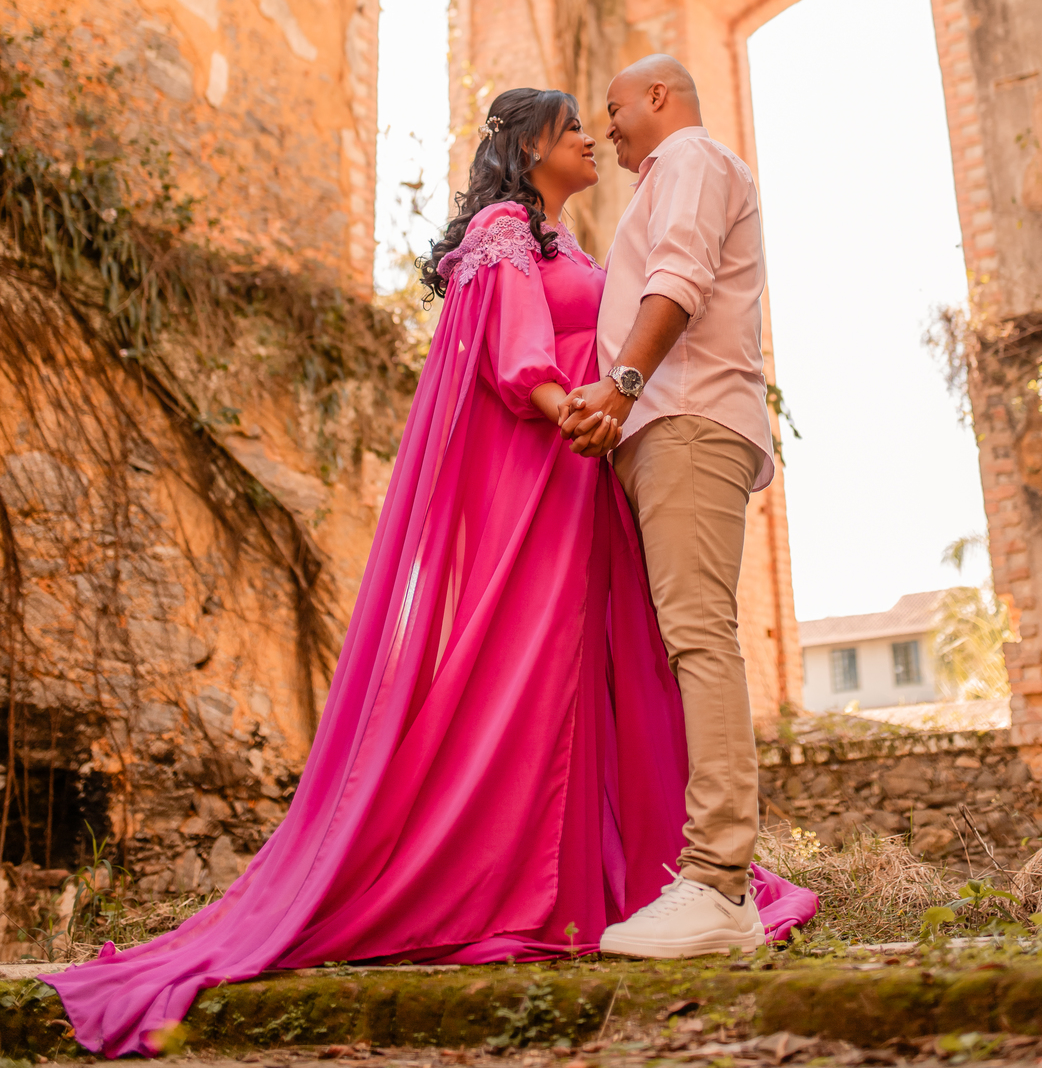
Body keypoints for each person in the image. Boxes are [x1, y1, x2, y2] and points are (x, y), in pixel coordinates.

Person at [47, 86, 815, 1059]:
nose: (592, 138)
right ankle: (507, 881)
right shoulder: (504, 231)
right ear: (535, 144)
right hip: (546, 472)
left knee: (605, 685)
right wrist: (577, 408)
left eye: (599, 120)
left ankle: (611, 887)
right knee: (528, 680)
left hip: (591, 480)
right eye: (577, 125)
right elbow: (514, 350)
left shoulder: (577, 246)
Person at [559, 56, 777, 959]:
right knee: (684, 637)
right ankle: (711, 882)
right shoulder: (669, 175)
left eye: (613, 109)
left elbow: (678, 282)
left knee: (697, 633)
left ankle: (719, 885)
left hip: (684, 419)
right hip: (665, 429)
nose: (607, 127)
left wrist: (620, 388)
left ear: (658, 97)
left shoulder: (688, 157)